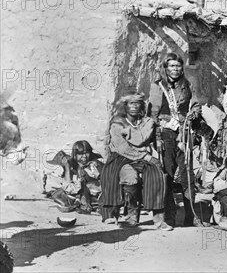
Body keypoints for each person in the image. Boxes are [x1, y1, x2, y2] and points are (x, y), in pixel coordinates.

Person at [100, 92, 172, 230]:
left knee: (157, 176)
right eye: (130, 103)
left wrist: (147, 154)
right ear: (125, 106)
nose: (134, 106)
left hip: (142, 157)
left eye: (137, 103)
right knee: (130, 178)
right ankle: (130, 215)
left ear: (141, 105)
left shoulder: (146, 122)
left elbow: (140, 140)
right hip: (121, 157)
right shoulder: (117, 123)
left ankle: (159, 220)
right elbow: (123, 147)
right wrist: (146, 156)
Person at [148, 52, 202, 227]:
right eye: (171, 66)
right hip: (166, 135)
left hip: (185, 133)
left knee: (188, 175)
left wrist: (194, 112)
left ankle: (191, 216)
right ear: (166, 68)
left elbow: (195, 104)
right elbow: (153, 113)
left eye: (178, 66)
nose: (175, 69)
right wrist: (158, 130)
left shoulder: (188, 85)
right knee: (168, 175)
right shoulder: (158, 86)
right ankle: (168, 217)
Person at [44, 141, 103, 214]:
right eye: (81, 154)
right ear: (75, 154)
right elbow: (67, 185)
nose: (84, 156)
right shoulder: (72, 164)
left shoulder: (95, 163)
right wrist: (67, 167)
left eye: (86, 153)